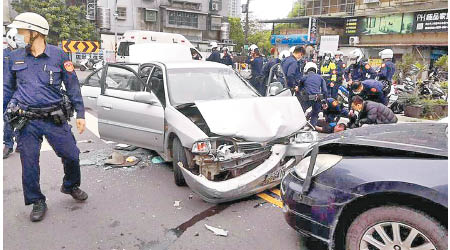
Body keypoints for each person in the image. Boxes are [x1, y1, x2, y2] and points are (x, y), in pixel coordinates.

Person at [4, 12, 88, 222]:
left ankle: (70, 185)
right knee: (29, 163)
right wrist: (5, 117)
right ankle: (37, 201)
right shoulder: (14, 57)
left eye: (23, 31)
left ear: (36, 33)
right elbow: (7, 88)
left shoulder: (59, 56)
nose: (19, 35)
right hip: (26, 121)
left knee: (72, 156)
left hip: (54, 118)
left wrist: (80, 113)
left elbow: (72, 86)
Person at [3, 28, 18, 158]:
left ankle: (20, 142)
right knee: (8, 117)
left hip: (21, 91)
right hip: (7, 91)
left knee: (23, 117)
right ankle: (8, 144)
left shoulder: (24, 54)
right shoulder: (3, 55)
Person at [298, 62, 328, 126]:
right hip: (318, 98)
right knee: (315, 114)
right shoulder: (320, 78)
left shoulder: (304, 78)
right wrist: (324, 102)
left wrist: (301, 95)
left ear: (306, 69)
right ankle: (312, 127)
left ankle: (299, 126)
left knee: (300, 112)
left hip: (307, 98)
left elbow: (299, 88)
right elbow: (325, 91)